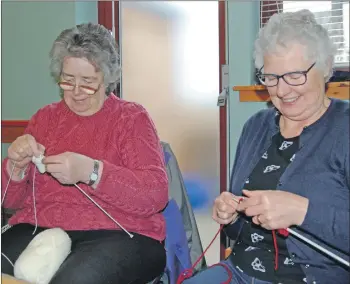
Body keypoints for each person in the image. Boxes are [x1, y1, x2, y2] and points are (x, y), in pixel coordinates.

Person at [183, 9, 349, 284]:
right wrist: (232, 214)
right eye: (271, 77)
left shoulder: (344, 129)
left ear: (326, 66)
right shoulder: (256, 127)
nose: (282, 91)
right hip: (239, 271)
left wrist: (303, 211)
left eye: (295, 75)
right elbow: (240, 233)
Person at [1, 23, 168, 284]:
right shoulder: (45, 119)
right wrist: (16, 166)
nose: (77, 92)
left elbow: (155, 195)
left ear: (108, 78)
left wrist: (92, 172)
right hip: (40, 228)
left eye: (88, 82)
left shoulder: (131, 119)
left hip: (120, 235)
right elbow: (10, 202)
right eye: (68, 81)